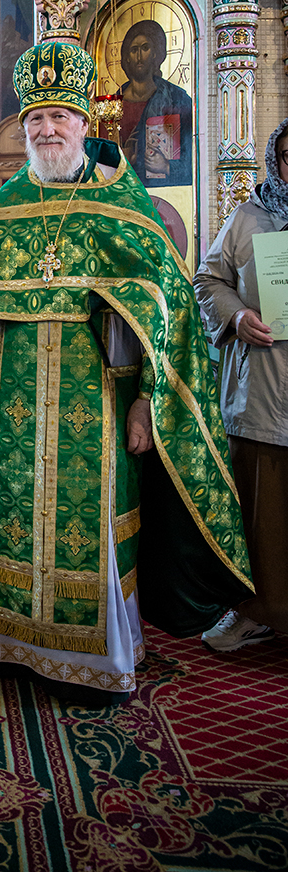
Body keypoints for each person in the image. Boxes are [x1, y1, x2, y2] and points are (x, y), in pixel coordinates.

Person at [0, 41, 252, 703]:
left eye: (58, 117)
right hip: (11, 400)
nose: (46, 130)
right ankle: (0, 642)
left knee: (92, 527)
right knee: (6, 514)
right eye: (35, 119)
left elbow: (162, 317)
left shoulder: (123, 203)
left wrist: (147, 401)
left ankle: (95, 659)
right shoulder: (5, 207)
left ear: (82, 123)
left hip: (98, 401)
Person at [193, 118, 288, 653]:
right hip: (262, 389)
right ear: (277, 160)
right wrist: (236, 316)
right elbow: (208, 279)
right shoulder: (249, 217)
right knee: (260, 511)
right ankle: (255, 611)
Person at [112, 18, 192, 187]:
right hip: (122, 191)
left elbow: (195, 155)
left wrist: (167, 166)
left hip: (165, 193)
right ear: (127, 57)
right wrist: (120, 160)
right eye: (134, 50)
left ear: (155, 53)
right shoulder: (111, 105)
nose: (139, 56)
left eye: (145, 48)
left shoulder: (177, 99)